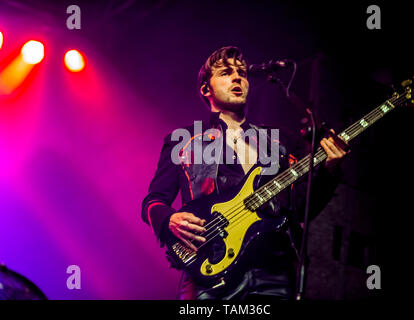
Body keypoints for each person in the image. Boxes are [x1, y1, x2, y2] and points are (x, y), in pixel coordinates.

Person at [141, 46, 347, 300]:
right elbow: (153, 201)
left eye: (242, 73)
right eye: (226, 73)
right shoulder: (183, 141)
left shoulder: (279, 142)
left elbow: (300, 207)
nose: (237, 77)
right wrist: (169, 220)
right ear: (206, 89)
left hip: (274, 271)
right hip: (210, 271)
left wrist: (329, 171)